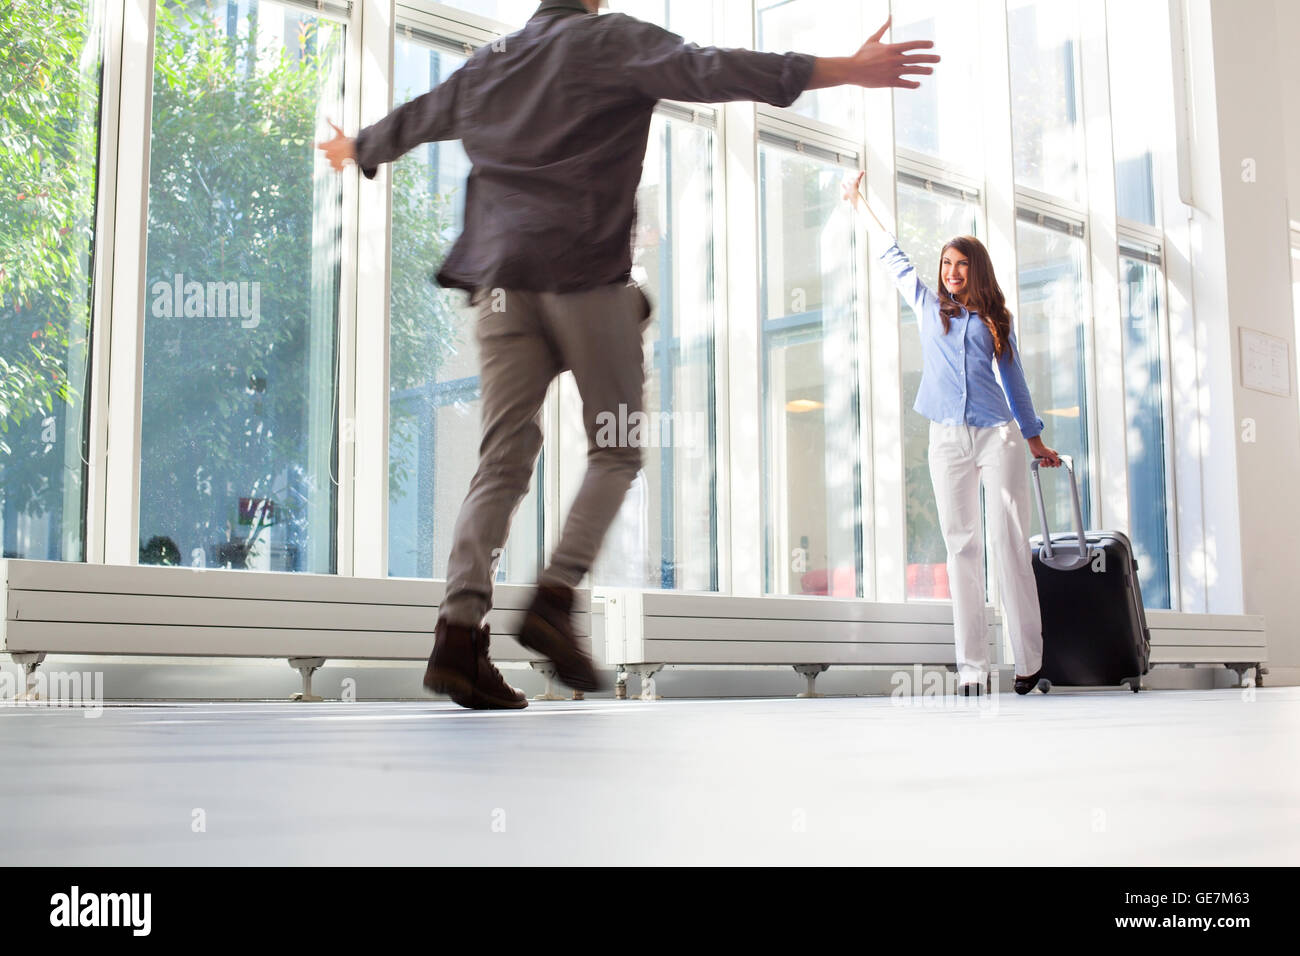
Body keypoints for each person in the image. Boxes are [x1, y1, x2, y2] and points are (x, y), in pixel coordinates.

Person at [317, 1, 939, 710]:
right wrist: (843, 69)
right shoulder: (610, 38)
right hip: (582, 274)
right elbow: (711, 68)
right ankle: (554, 599)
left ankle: (458, 636)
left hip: (499, 286)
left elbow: (422, 113)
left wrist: (359, 147)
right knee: (616, 449)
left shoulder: (494, 60)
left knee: (501, 461)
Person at [842, 170, 1061, 697]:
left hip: (997, 438)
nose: (952, 271)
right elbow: (890, 253)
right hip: (946, 438)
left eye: (961, 264)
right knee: (961, 547)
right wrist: (857, 203)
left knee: (1008, 543)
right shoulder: (926, 306)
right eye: (946, 263)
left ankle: (1029, 660)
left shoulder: (994, 322)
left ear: (976, 271)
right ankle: (972, 667)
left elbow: (1015, 381)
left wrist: (1033, 438)